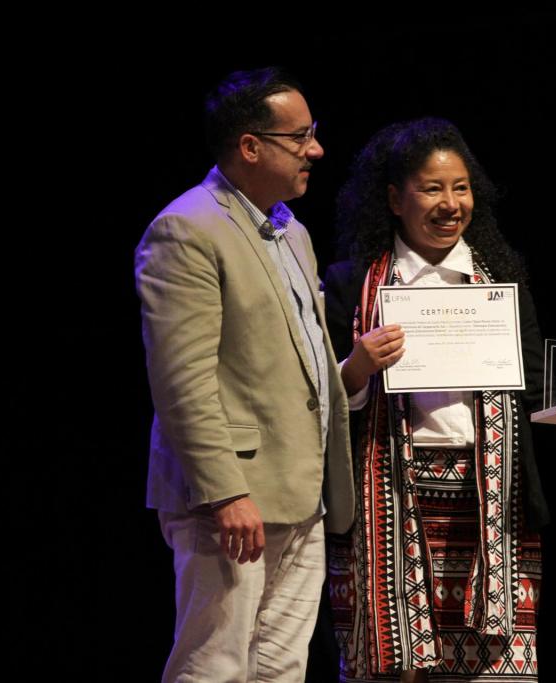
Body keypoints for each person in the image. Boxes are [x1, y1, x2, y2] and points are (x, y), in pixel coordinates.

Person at [323, 118, 556, 682]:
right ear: (396, 199)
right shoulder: (352, 284)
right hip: (388, 506)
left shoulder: (500, 282)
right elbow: (313, 404)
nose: (451, 204)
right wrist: (356, 367)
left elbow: (538, 388)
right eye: (432, 189)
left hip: (490, 506)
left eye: (461, 188)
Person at [134, 67, 354, 682]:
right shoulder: (187, 230)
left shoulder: (292, 231)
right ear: (250, 146)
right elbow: (182, 381)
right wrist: (225, 492)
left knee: (281, 669)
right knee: (214, 664)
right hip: (233, 499)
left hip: (299, 492)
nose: (316, 149)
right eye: (300, 136)